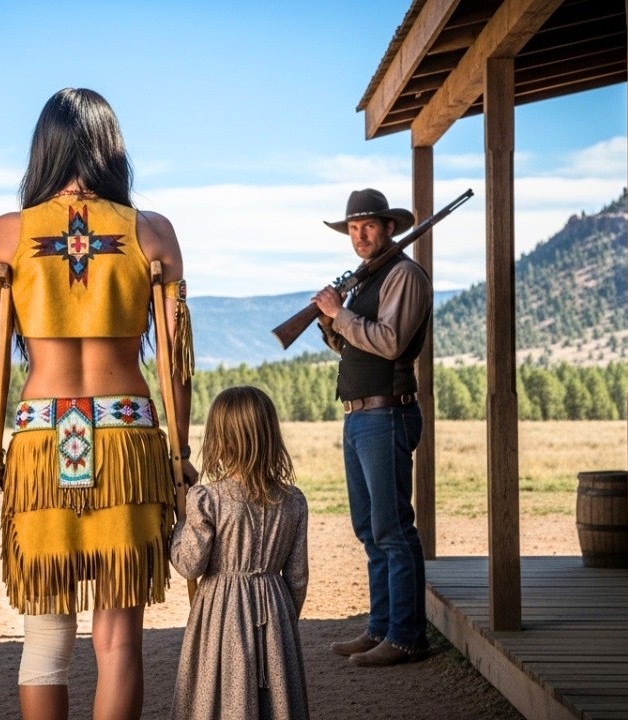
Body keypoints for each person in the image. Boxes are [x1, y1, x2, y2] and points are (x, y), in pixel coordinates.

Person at [0, 87, 195, 720]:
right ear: (112, 148)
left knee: (45, 635)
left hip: (43, 444)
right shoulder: (151, 233)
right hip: (128, 442)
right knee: (119, 638)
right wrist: (180, 452)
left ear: (42, 149)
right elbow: (176, 365)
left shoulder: (8, 235)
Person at [311, 188, 432, 667]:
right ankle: (382, 628)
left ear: (389, 228)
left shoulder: (404, 274)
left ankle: (407, 636)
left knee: (393, 529)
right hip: (360, 415)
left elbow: (390, 341)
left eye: (368, 227)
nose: (359, 235)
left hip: (387, 413)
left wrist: (339, 314)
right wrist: (332, 321)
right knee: (369, 529)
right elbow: (355, 347)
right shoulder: (367, 279)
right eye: (353, 229)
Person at [170, 386, 309, 719]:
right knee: (276, 699)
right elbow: (297, 577)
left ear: (220, 441)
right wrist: (282, 622)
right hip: (275, 608)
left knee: (219, 693)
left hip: (222, 613)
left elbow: (190, 564)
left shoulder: (207, 499)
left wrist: (178, 526)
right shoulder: (293, 500)